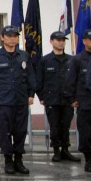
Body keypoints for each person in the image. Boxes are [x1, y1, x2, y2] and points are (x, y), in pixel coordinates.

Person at [0, 26, 36, 175]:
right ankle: (8, 160)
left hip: (21, 100)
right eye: (9, 36)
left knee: (20, 131)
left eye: (15, 36)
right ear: (2, 38)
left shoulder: (24, 56)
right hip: (3, 101)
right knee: (5, 132)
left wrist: (31, 93)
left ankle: (18, 160)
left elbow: (30, 76)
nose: (12, 38)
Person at [36, 31, 79, 162]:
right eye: (58, 40)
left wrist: (75, 98)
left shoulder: (72, 60)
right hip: (52, 100)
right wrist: (41, 97)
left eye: (63, 40)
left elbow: (77, 80)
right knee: (54, 126)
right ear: (51, 42)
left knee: (65, 126)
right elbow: (39, 81)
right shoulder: (45, 60)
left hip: (68, 100)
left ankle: (65, 150)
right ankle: (56, 151)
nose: (61, 42)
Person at [63, 29, 91, 172]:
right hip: (85, 103)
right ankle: (89, 159)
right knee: (86, 134)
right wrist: (72, 99)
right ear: (84, 41)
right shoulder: (77, 60)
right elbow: (70, 81)